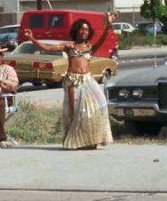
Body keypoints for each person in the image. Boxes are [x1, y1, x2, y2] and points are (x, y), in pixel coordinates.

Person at [23, 13, 116, 150]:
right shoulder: (69, 46)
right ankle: (77, 141)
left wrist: (107, 24)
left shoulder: (90, 47)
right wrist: (32, 39)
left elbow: (102, 38)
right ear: (76, 30)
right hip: (73, 82)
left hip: (88, 81)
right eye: (81, 29)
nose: (84, 32)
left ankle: (93, 139)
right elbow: (48, 48)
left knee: (98, 107)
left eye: (86, 29)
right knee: (75, 111)